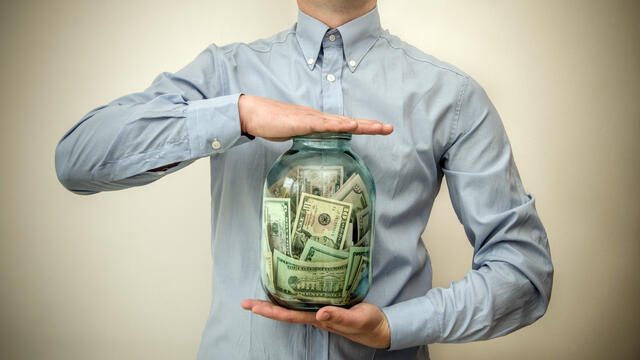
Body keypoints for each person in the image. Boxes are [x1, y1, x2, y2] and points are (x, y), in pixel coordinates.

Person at [54, 0, 553, 358]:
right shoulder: (225, 74)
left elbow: (524, 273)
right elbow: (77, 160)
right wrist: (238, 115)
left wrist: (393, 327)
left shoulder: (454, 96)